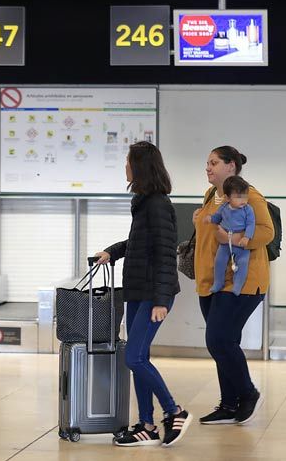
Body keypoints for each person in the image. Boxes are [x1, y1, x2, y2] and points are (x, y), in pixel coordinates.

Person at [95, 141, 192, 448]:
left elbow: (165, 253)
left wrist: (162, 300)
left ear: (139, 167)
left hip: (153, 293)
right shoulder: (144, 201)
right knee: (139, 356)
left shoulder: (158, 204)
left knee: (134, 357)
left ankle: (174, 410)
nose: (124, 167)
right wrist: (112, 252)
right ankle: (147, 425)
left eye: (127, 162)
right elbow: (139, 243)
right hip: (138, 291)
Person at [193, 146, 273, 426]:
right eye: (207, 163)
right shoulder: (210, 195)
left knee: (218, 339)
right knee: (223, 343)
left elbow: (265, 231)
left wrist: (238, 239)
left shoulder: (248, 194)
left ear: (231, 166)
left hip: (241, 280)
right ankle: (228, 405)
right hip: (212, 281)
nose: (208, 167)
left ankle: (247, 393)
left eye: (214, 162)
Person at [204, 175, 256, 296]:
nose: (243, 200)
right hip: (224, 244)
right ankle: (218, 282)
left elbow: (251, 224)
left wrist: (246, 237)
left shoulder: (248, 209)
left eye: (245, 196)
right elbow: (217, 218)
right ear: (227, 198)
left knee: (242, 263)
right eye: (238, 197)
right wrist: (210, 218)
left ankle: (237, 284)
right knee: (219, 261)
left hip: (241, 244)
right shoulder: (223, 207)